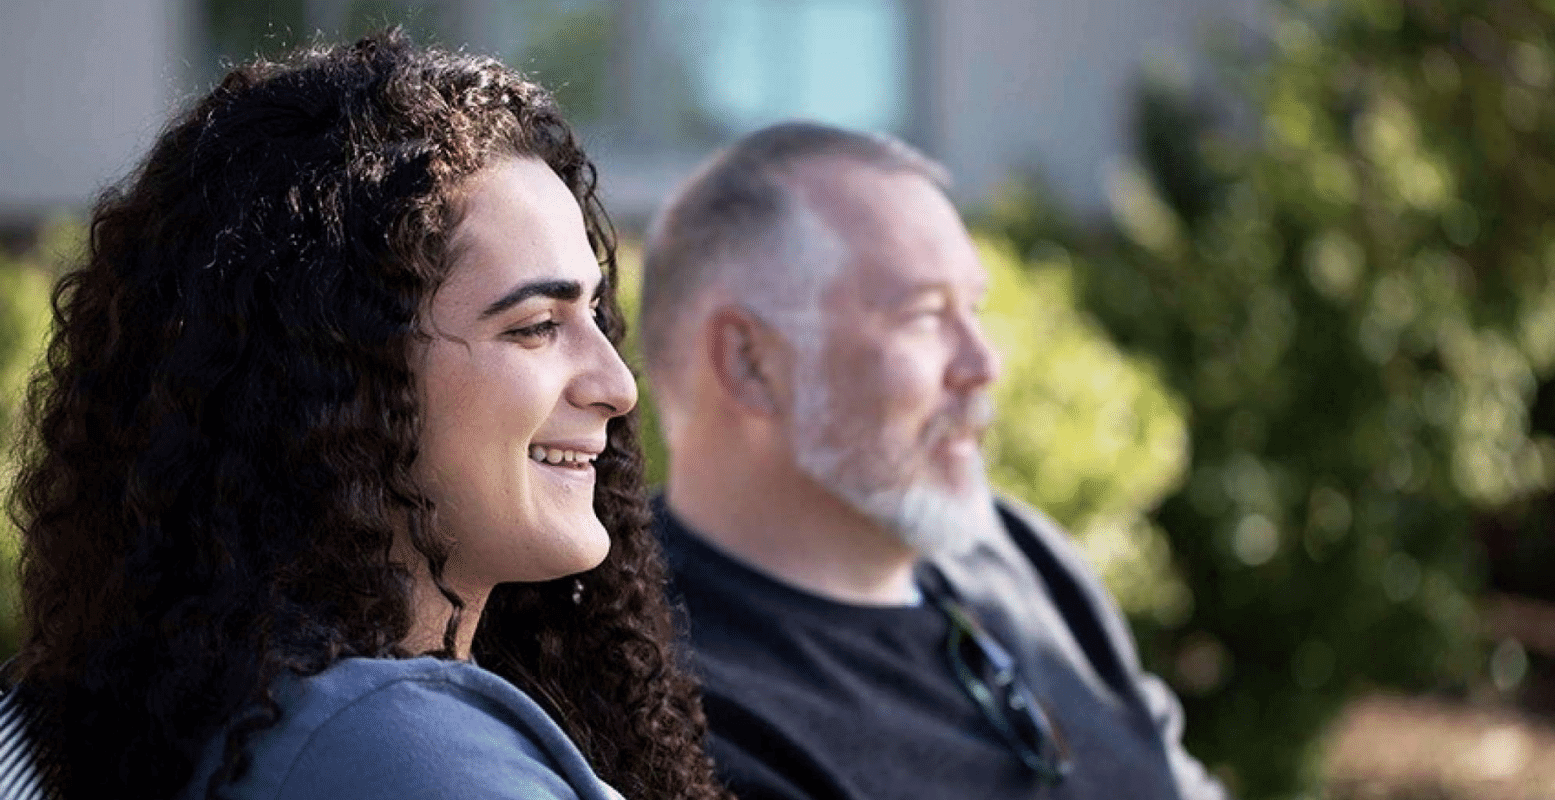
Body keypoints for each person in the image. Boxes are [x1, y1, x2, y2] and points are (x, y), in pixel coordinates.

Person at [3, 31, 730, 800]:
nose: (617, 386)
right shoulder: (386, 745)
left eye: (596, 317)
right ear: (335, 375)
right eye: (533, 326)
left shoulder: (254, 708)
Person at [639, 121, 1230, 800]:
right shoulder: (666, 705)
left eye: (973, 309)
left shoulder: (1022, 556)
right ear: (749, 362)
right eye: (924, 315)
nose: (984, 365)